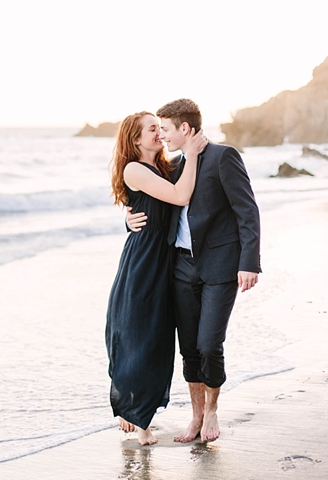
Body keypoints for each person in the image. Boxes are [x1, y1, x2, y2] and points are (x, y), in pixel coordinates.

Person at [126, 99, 261, 443]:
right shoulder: (173, 166)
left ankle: (213, 409)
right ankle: (196, 415)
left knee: (209, 344)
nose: (163, 137)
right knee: (188, 347)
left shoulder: (223, 157)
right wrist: (129, 221)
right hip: (180, 266)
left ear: (184, 129)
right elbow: (153, 202)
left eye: (167, 129)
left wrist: (249, 262)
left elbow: (247, 211)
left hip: (219, 266)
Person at [106, 111, 207, 446]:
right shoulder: (134, 169)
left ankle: (141, 413)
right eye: (153, 129)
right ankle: (135, 415)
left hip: (165, 261)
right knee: (138, 335)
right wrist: (191, 154)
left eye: (160, 128)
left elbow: (167, 199)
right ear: (136, 139)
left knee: (159, 339)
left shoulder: (166, 166)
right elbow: (180, 196)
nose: (160, 134)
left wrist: (191, 152)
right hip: (143, 263)